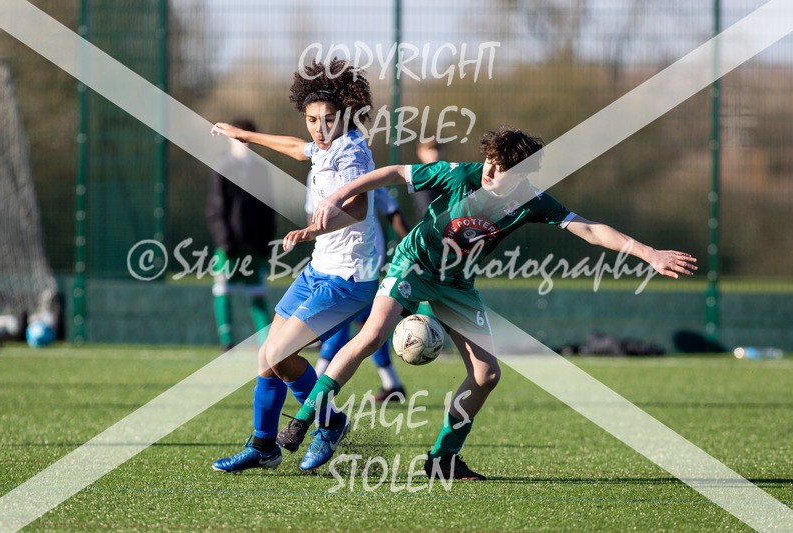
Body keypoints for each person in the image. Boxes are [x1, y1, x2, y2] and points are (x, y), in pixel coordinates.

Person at [279, 125, 698, 478]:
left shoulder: (529, 200)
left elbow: (589, 229)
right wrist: (335, 197)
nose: (491, 173)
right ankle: (303, 421)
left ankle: (443, 459)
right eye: (491, 164)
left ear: (520, 175)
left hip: (456, 285)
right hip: (413, 264)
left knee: (486, 375)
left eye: (502, 170)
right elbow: (391, 173)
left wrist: (649, 253)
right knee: (371, 336)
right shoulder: (458, 173)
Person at [208, 58, 379, 473]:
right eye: (311, 119)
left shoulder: (351, 152)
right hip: (319, 270)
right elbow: (293, 146)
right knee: (267, 356)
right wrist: (243, 134)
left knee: (282, 354)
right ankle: (264, 445)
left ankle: (330, 423)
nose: (319, 129)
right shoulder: (321, 147)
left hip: (348, 277)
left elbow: (358, 208)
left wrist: (314, 230)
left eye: (328, 120)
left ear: (345, 117)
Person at [309, 184, 410, 402]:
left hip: (362, 260)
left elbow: (393, 212)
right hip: (334, 260)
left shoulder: (365, 172)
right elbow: (313, 216)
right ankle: (392, 383)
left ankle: (315, 384)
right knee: (369, 324)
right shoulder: (316, 170)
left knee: (342, 317)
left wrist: (416, 252)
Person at [205, 118, 276, 352]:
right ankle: (227, 341)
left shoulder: (261, 169)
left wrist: (267, 241)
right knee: (223, 290)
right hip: (229, 245)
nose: (243, 143)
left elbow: (268, 209)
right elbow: (216, 207)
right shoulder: (223, 167)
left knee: (257, 294)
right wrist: (224, 240)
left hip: (254, 245)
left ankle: (266, 344)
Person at [412, 138, 441, 218]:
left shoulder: (449, 173)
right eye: (429, 149)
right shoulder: (419, 177)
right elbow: (426, 210)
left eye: (437, 149)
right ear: (420, 153)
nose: (435, 153)